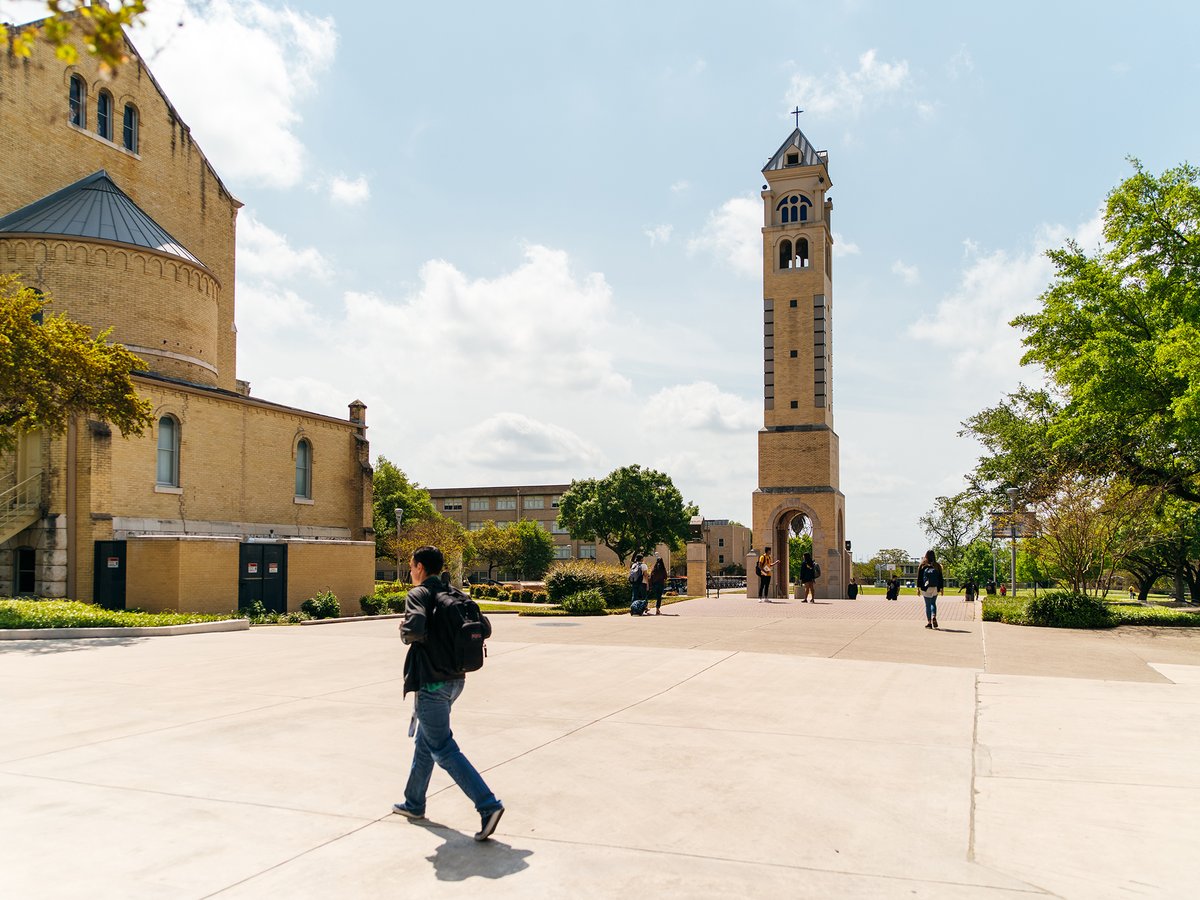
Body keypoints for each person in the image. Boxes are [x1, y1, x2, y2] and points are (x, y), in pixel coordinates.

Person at [394, 545, 505, 842]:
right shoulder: (457, 594)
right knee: (426, 740)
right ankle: (413, 802)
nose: (410, 571)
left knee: (441, 746)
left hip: (432, 682)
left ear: (419, 567)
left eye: (411, 566)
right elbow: (486, 628)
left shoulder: (420, 594)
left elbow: (414, 629)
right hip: (457, 680)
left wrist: (403, 630)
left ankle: (488, 805)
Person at [917, 549, 944, 629]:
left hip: (925, 587)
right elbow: (940, 578)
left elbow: (919, 578)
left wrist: (918, 588)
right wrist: (941, 588)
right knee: (933, 603)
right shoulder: (937, 565)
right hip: (935, 587)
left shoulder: (922, 565)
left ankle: (929, 622)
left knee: (927, 605)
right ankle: (934, 616)